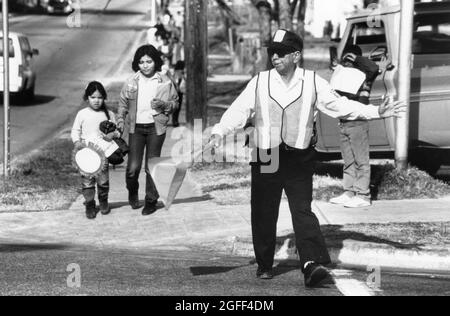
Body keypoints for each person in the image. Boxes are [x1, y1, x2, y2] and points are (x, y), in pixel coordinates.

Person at [210, 29, 405, 287]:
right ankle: (265, 263)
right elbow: (238, 109)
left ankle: (311, 264)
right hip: (267, 155)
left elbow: (340, 106)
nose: (275, 57)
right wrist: (219, 132)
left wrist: (376, 111)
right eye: (272, 53)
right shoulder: (260, 81)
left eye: (280, 53)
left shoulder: (313, 81)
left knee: (302, 210)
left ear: (296, 56)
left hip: (299, 156)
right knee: (263, 211)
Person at [117, 45, 179, 216]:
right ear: (137, 63)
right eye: (141, 62)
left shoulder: (165, 81)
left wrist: (164, 105)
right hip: (135, 128)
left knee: (151, 167)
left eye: (149, 61)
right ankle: (132, 191)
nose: (145, 65)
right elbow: (122, 104)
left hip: (155, 128)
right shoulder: (131, 82)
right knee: (132, 168)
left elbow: (175, 103)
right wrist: (121, 120)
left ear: (155, 62)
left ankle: (151, 201)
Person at [329, 45, 380, 208]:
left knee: (361, 160)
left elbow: (374, 68)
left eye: (350, 58)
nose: (348, 62)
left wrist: (357, 59)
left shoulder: (365, 75)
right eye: (346, 58)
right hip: (344, 121)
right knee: (348, 161)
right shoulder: (342, 75)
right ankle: (349, 191)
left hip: (358, 121)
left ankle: (363, 195)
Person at [71, 81, 118, 219]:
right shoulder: (82, 114)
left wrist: (112, 135)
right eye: (93, 97)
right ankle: (90, 204)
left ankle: (103, 201)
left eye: (99, 97)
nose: (96, 101)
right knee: (87, 182)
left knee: (103, 181)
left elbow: (117, 132)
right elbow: (75, 131)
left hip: (103, 154)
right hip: (86, 154)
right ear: (87, 98)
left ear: (104, 98)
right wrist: (77, 142)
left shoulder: (109, 114)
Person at [172, 60, 185, 127]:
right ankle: (175, 121)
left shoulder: (175, 72)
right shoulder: (180, 72)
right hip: (179, 92)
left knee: (176, 108)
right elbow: (178, 81)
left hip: (176, 92)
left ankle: (175, 121)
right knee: (177, 108)